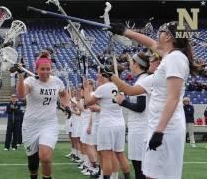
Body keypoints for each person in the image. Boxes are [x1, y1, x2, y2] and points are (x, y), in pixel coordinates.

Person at [108, 21, 201, 178]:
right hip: (159, 127)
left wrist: (159, 131)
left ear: (168, 37)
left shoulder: (175, 58)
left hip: (166, 129)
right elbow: (151, 43)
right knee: (152, 175)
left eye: (161, 30)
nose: (158, 33)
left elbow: (173, 98)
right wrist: (125, 31)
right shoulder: (169, 57)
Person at [16, 51, 71, 179]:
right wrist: (20, 76)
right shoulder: (30, 81)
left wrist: (67, 105)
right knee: (33, 161)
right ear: (36, 69)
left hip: (49, 124)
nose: (46, 72)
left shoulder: (56, 81)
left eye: (48, 69)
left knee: (45, 157)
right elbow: (21, 95)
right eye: (42, 69)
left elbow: (63, 95)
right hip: (30, 125)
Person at [83, 67, 130, 179]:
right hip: (120, 123)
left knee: (106, 156)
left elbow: (88, 102)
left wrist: (86, 89)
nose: (97, 76)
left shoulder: (102, 88)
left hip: (107, 124)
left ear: (104, 75)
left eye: (99, 74)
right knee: (120, 154)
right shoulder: (120, 86)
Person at [115, 51, 150, 179]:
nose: (130, 66)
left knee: (140, 168)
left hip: (140, 129)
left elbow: (141, 107)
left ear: (136, 64)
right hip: (140, 128)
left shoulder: (142, 81)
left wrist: (123, 102)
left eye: (131, 63)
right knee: (140, 168)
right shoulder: (142, 80)